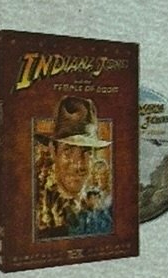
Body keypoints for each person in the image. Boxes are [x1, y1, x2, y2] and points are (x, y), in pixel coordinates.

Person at [34, 95, 113, 238]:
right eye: (68, 151)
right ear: (53, 151)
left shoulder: (101, 205)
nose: (78, 164)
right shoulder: (37, 205)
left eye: (87, 151)